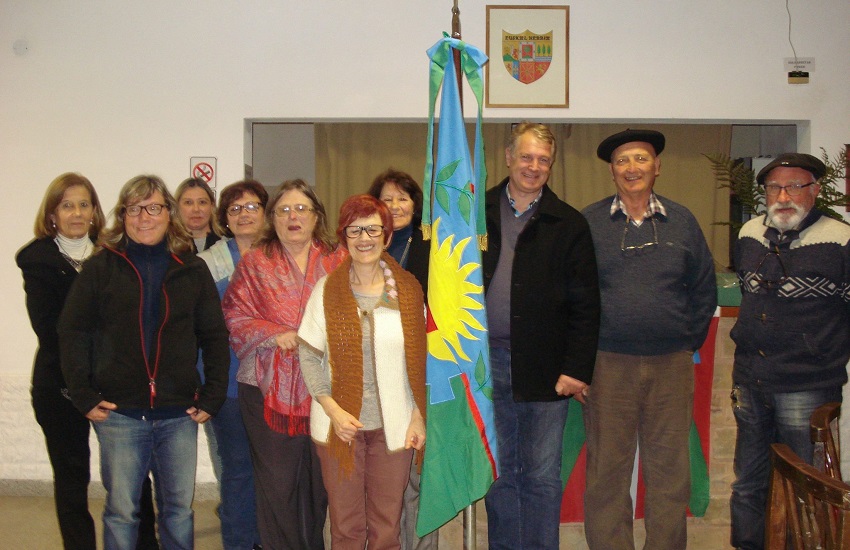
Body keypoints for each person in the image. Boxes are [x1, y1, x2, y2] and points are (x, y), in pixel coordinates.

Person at [58, 174, 230, 550]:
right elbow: (72, 334)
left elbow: (215, 337)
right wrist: (84, 395)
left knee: (178, 511)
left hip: (178, 415)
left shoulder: (192, 270)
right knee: (121, 512)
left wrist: (212, 394)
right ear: (123, 216)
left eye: (153, 208)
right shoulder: (100, 269)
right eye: (134, 209)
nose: (144, 218)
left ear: (169, 214)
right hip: (120, 414)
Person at [581, 129, 717, 550]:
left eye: (641, 159)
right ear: (611, 171)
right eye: (623, 161)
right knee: (606, 474)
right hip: (607, 366)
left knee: (669, 473)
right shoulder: (588, 223)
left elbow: (703, 288)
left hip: (670, 366)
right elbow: (573, 295)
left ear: (657, 167)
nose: (632, 168)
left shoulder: (683, 220)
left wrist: (684, 341)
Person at [16, 173, 157, 550]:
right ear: (52, 215)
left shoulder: (116, 254)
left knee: (133, 478)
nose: (76, 213)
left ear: (95, 211)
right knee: (72, 477)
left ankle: (146, 545)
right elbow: (50, 329)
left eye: (83, 204)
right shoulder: (37, 261)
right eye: (67, 205)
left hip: (115, 384)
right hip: (59, 385)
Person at [482, 122, 601, 549]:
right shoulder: (475, 213)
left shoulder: (568, 223)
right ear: (509, 157)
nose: (534, 167)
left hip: (548, 369)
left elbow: (587, 305)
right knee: (500, 471)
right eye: (526, 157)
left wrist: (576, 369)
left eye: (543, 160)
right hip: (485, 364)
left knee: (541, 475)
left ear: (551, 166)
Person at [729, 153, 850, 549]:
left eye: (794, 186)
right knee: (748, 482)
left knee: (805, 486)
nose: (783, 196)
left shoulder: (842, 239)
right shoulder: (749, 232)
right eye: (773, 188)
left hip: (808, 382)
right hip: (750, 379)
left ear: (814, 190)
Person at [222, 179, 346, 550]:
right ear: (271, 218)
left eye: (302, 209)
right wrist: (276, 334)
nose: (293, 217)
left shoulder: (339, 259)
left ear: (316, 215)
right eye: (284, 210)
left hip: (327, 388)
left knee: (318, 481)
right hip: (265, 388)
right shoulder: (255, 263)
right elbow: (234, 314)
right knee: (276, 483)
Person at [298, 194, 427, 549]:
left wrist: (418, 415)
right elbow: (308, 356)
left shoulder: (409, 291)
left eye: (373, 229)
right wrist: (333, 411)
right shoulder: (327, 291)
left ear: (387, 236)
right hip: (339, 428)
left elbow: (422, 362)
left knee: (387, 525)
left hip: (394, 427)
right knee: (346, 525)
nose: (364, 238)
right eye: (354, 230)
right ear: (344, 237)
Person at [366, 168, 435, 550]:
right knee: (380, 475)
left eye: (403, 198)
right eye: (387, 198)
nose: (395, 206)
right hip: (370, 375)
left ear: (416, 204)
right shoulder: (360, 246)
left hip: (420, 371)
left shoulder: (432, 246)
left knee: (416, 473)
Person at [198, 179, 268, 550]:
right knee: (238, 471)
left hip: (278, 385)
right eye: (235, 208)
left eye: (252, 206)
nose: (244, 214)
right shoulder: (208, 263)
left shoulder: (282, 255)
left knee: (274, 473)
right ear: (224, 218)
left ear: (265, 212)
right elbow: (197, 330)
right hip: (228, 385)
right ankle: (241, 543)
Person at [175, 177, 223, 252]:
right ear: (177, 206)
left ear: (212, 206)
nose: (196, 209)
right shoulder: (168, 245)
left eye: (202, 202)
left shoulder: (227, 243)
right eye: (188, 202)